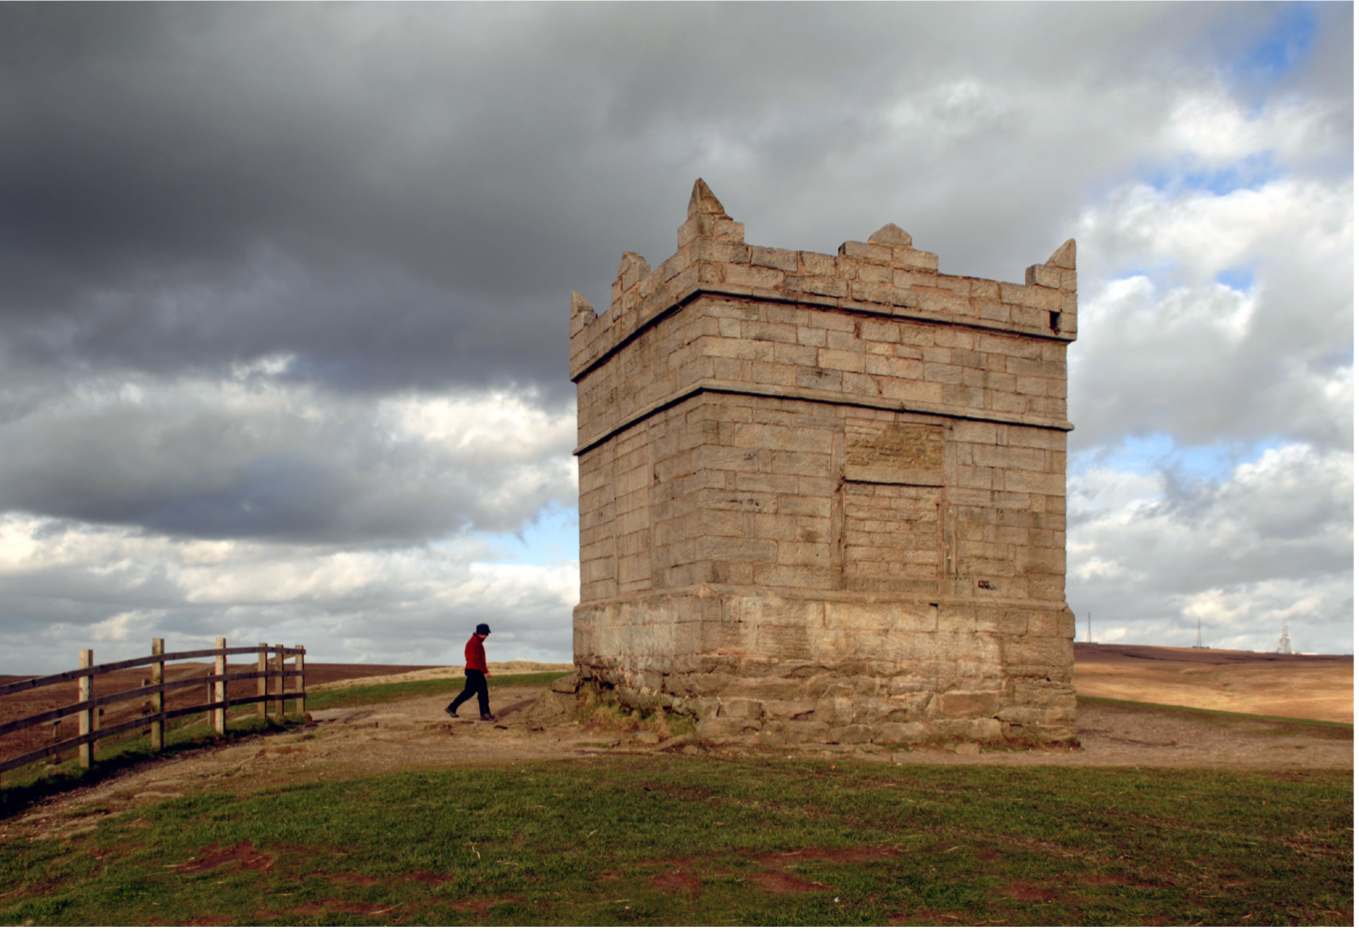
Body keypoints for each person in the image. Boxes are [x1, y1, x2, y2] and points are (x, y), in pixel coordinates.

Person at [445, 623, 496, 721]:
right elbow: (475, 659)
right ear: (481, 633)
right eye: (486, 633)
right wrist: (485, 671)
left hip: (474, 670)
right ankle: (452, 708)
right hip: (475, 671)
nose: (487, 636)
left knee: (481, 693)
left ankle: (485, 714)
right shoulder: (474, 643)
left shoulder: (475, 642)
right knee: (472, 692)